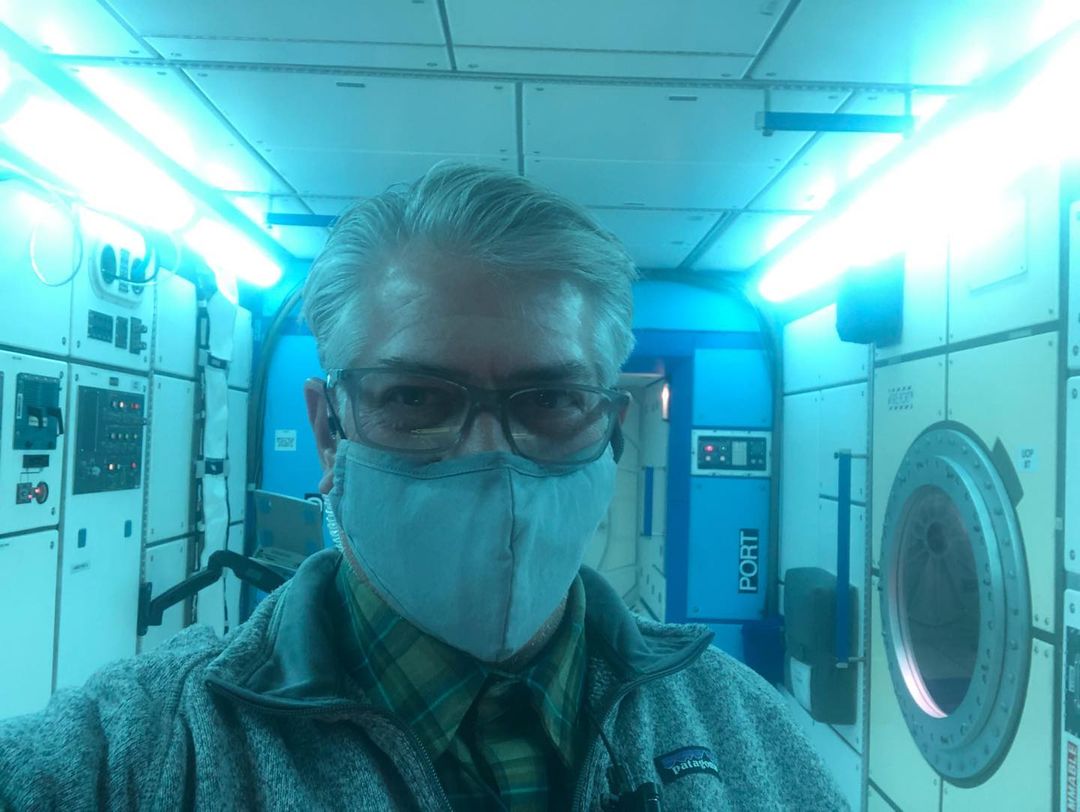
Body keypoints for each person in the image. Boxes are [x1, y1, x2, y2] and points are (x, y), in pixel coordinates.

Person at [0, 164, 846, 811]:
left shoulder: (742, 727)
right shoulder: (148, 755)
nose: (492, 461)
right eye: (414, 398)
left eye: (550, 400)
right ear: (329, 432)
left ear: (610, 429)